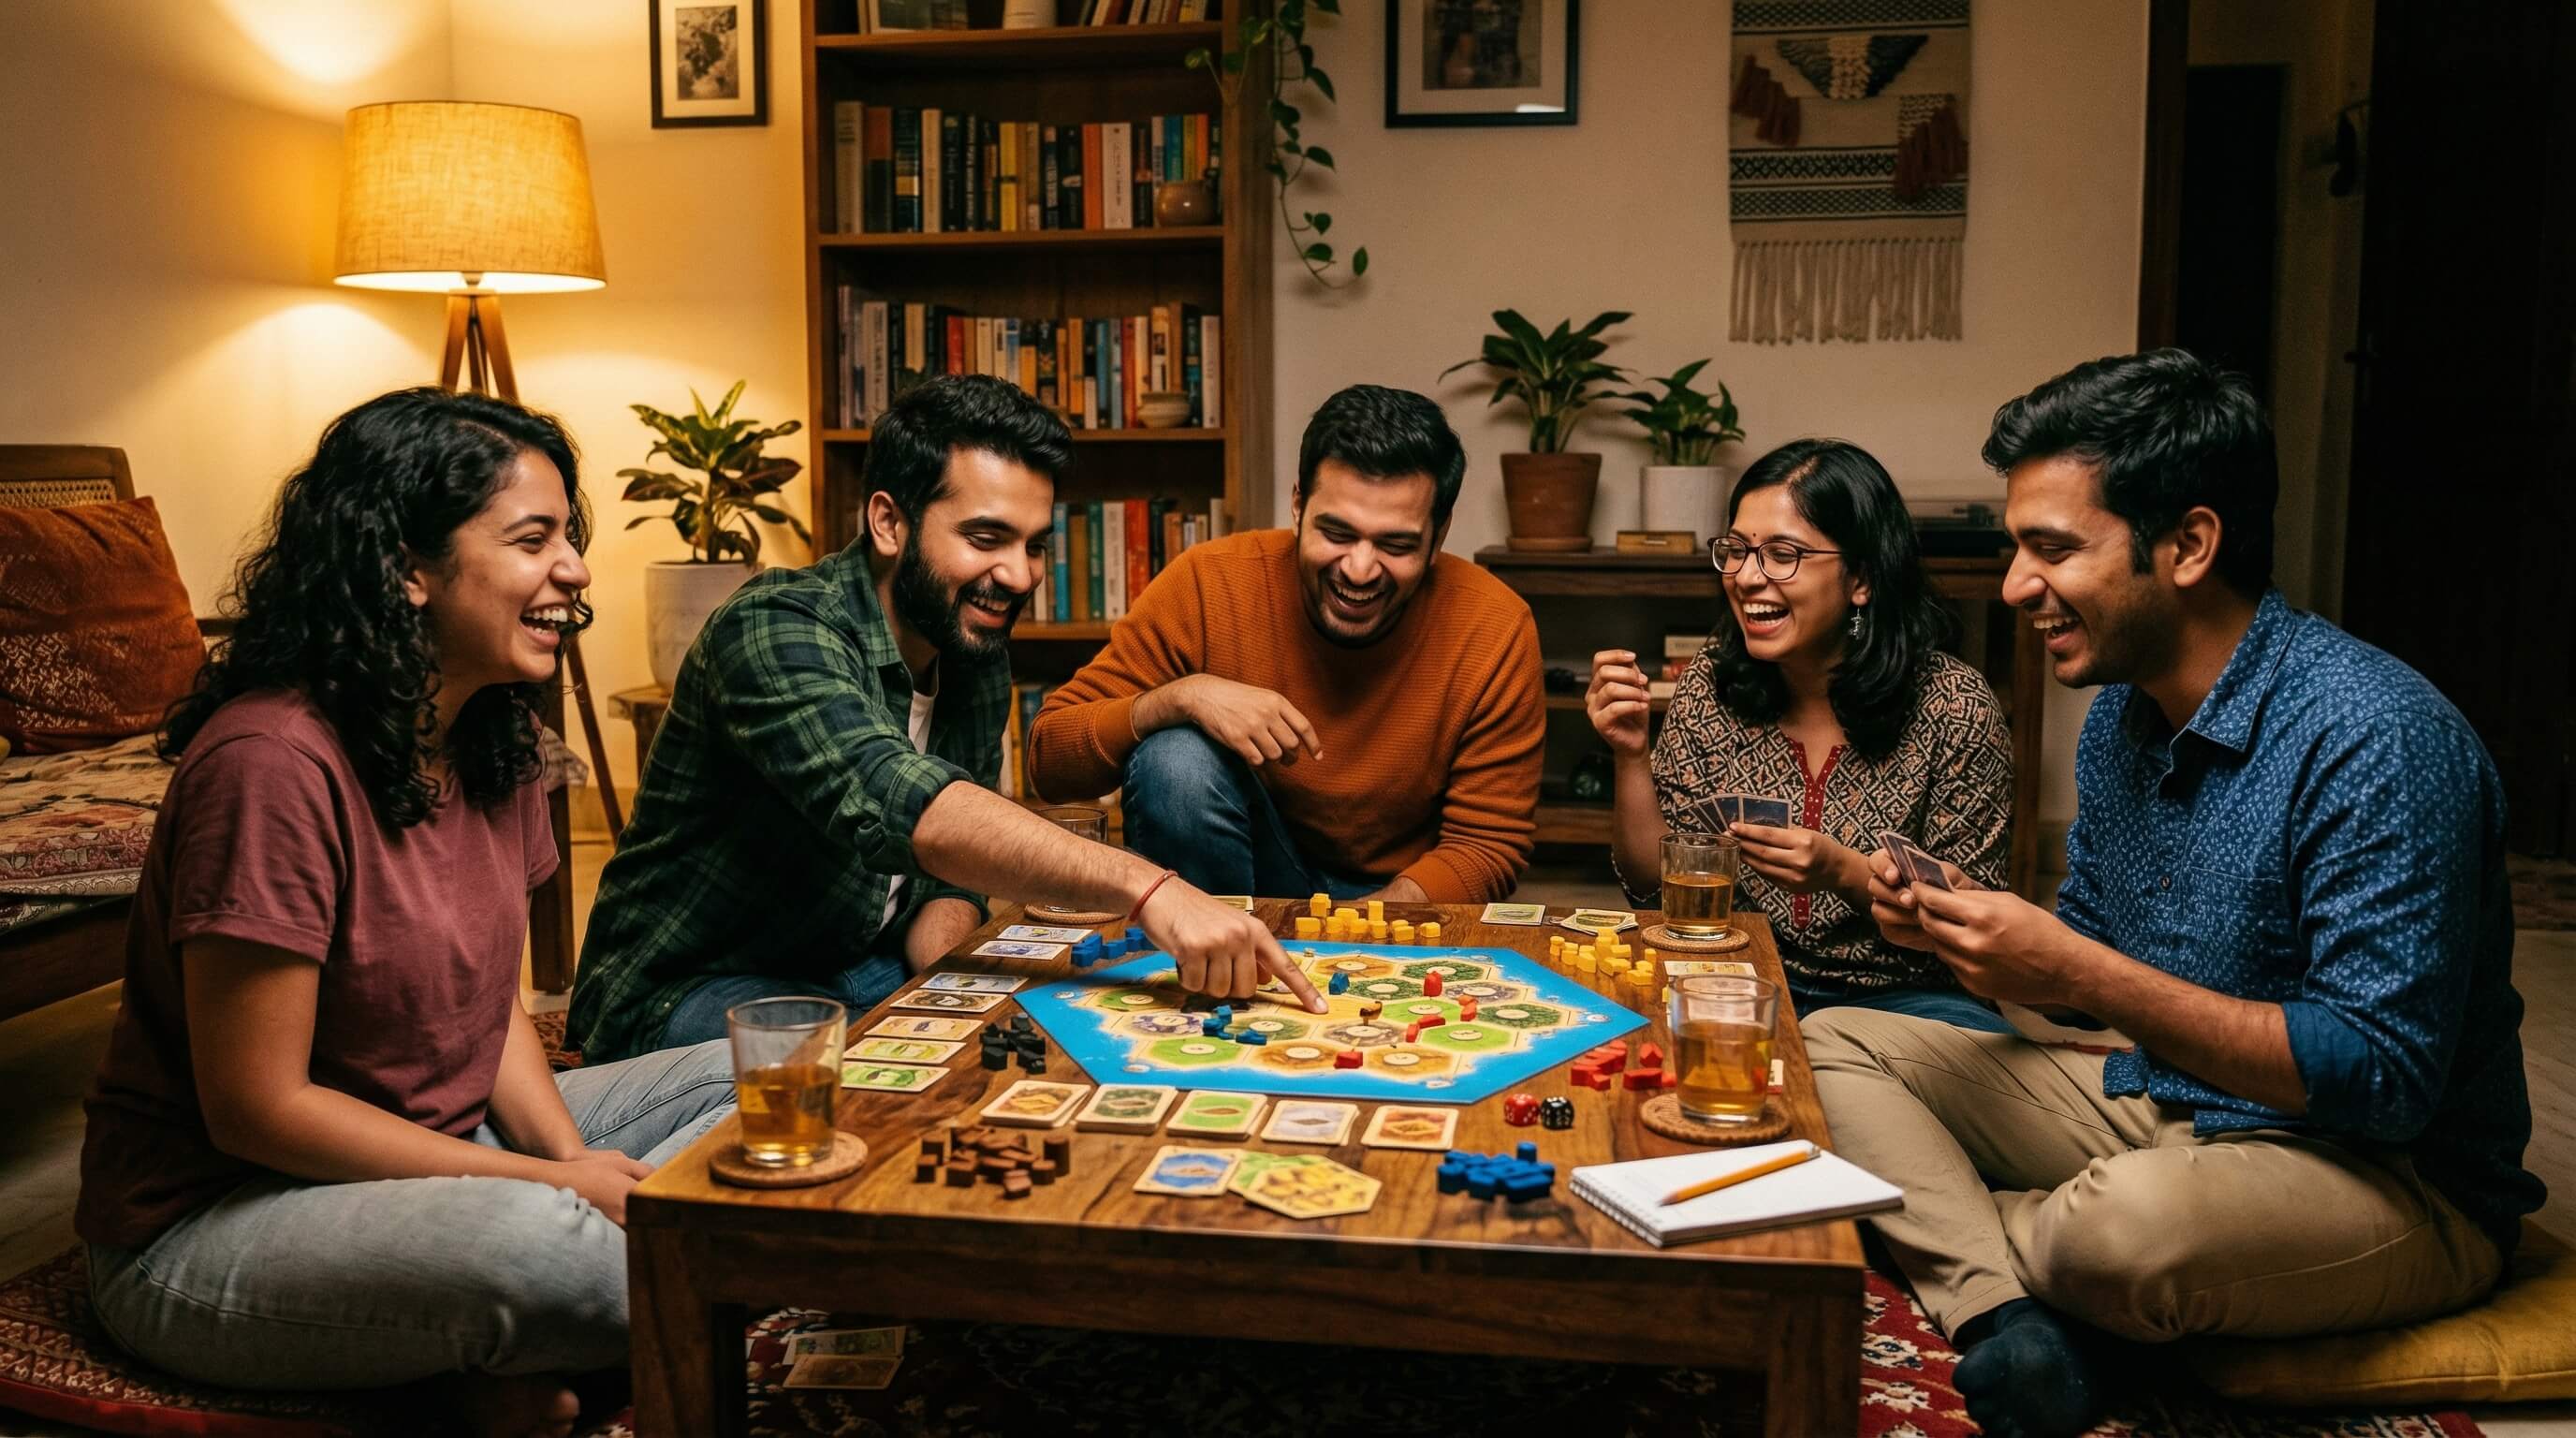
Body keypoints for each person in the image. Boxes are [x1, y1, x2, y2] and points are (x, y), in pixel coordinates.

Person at [1808, 350, 2543, 1438]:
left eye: (2051, 549)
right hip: (2173, 1107)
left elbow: (2380, 1079)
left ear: (2188, 545)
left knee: (2120, 1233)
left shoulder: (2376, 736)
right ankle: (2012, 1316)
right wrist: (1979, 931)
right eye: (2016, 549)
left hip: (2386, 1179)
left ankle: (1951, 1231)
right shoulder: (2121, 715)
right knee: (1831, 1046)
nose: (2015, 588)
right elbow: (2085, 981)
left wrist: (2071, 967)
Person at [76, 389, 739, 1438]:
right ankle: (491, 1355)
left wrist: (568, 1165)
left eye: (571, 538)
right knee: (584, 1256)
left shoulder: (499, 736)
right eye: (534, 539)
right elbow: (259, 1109)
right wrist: (547, 1193)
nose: (574, 569)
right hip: (214, 1220)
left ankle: (476, 1362)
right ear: (405, 567)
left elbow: (491, 1015)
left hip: (441, 1145)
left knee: (782, 1079)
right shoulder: (271, 764)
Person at [571, 375, 1321, 1065]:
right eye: (986, 539)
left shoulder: (969, 647)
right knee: (896, 1071)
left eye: (1035, 547)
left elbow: (940, 882)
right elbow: (911, 806)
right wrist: (1153, 889)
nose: (1021, 576)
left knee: (1043, 1036)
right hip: (682, 993)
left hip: (849, 963)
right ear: (890, 523)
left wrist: (952, 987)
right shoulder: (773, 628)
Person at [1025, 384, 1544, 903]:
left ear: (1439, 535)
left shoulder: (1494, 627)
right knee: (1174, 757)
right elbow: (1050, 761)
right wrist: (1182, 696)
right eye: (1337, 533)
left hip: (1408, 893)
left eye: (1396, 544)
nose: (1359, 570)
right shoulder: (1211, 583)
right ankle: (1216, 967)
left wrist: (1357, 936)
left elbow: (1487, 846)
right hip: (1246, 879)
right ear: (1298, 506)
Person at [1588, 437, 2014, 1033]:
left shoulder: (1955, 707)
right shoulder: (1711, 685)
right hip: (1739, 975)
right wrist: (1630, 754)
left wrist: (1845, 872)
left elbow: (1980, 936)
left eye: (1783, 554)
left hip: (1908, 999)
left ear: (1860, 578)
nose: (1748, 578)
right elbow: (1655, 893)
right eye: (1736, 551)